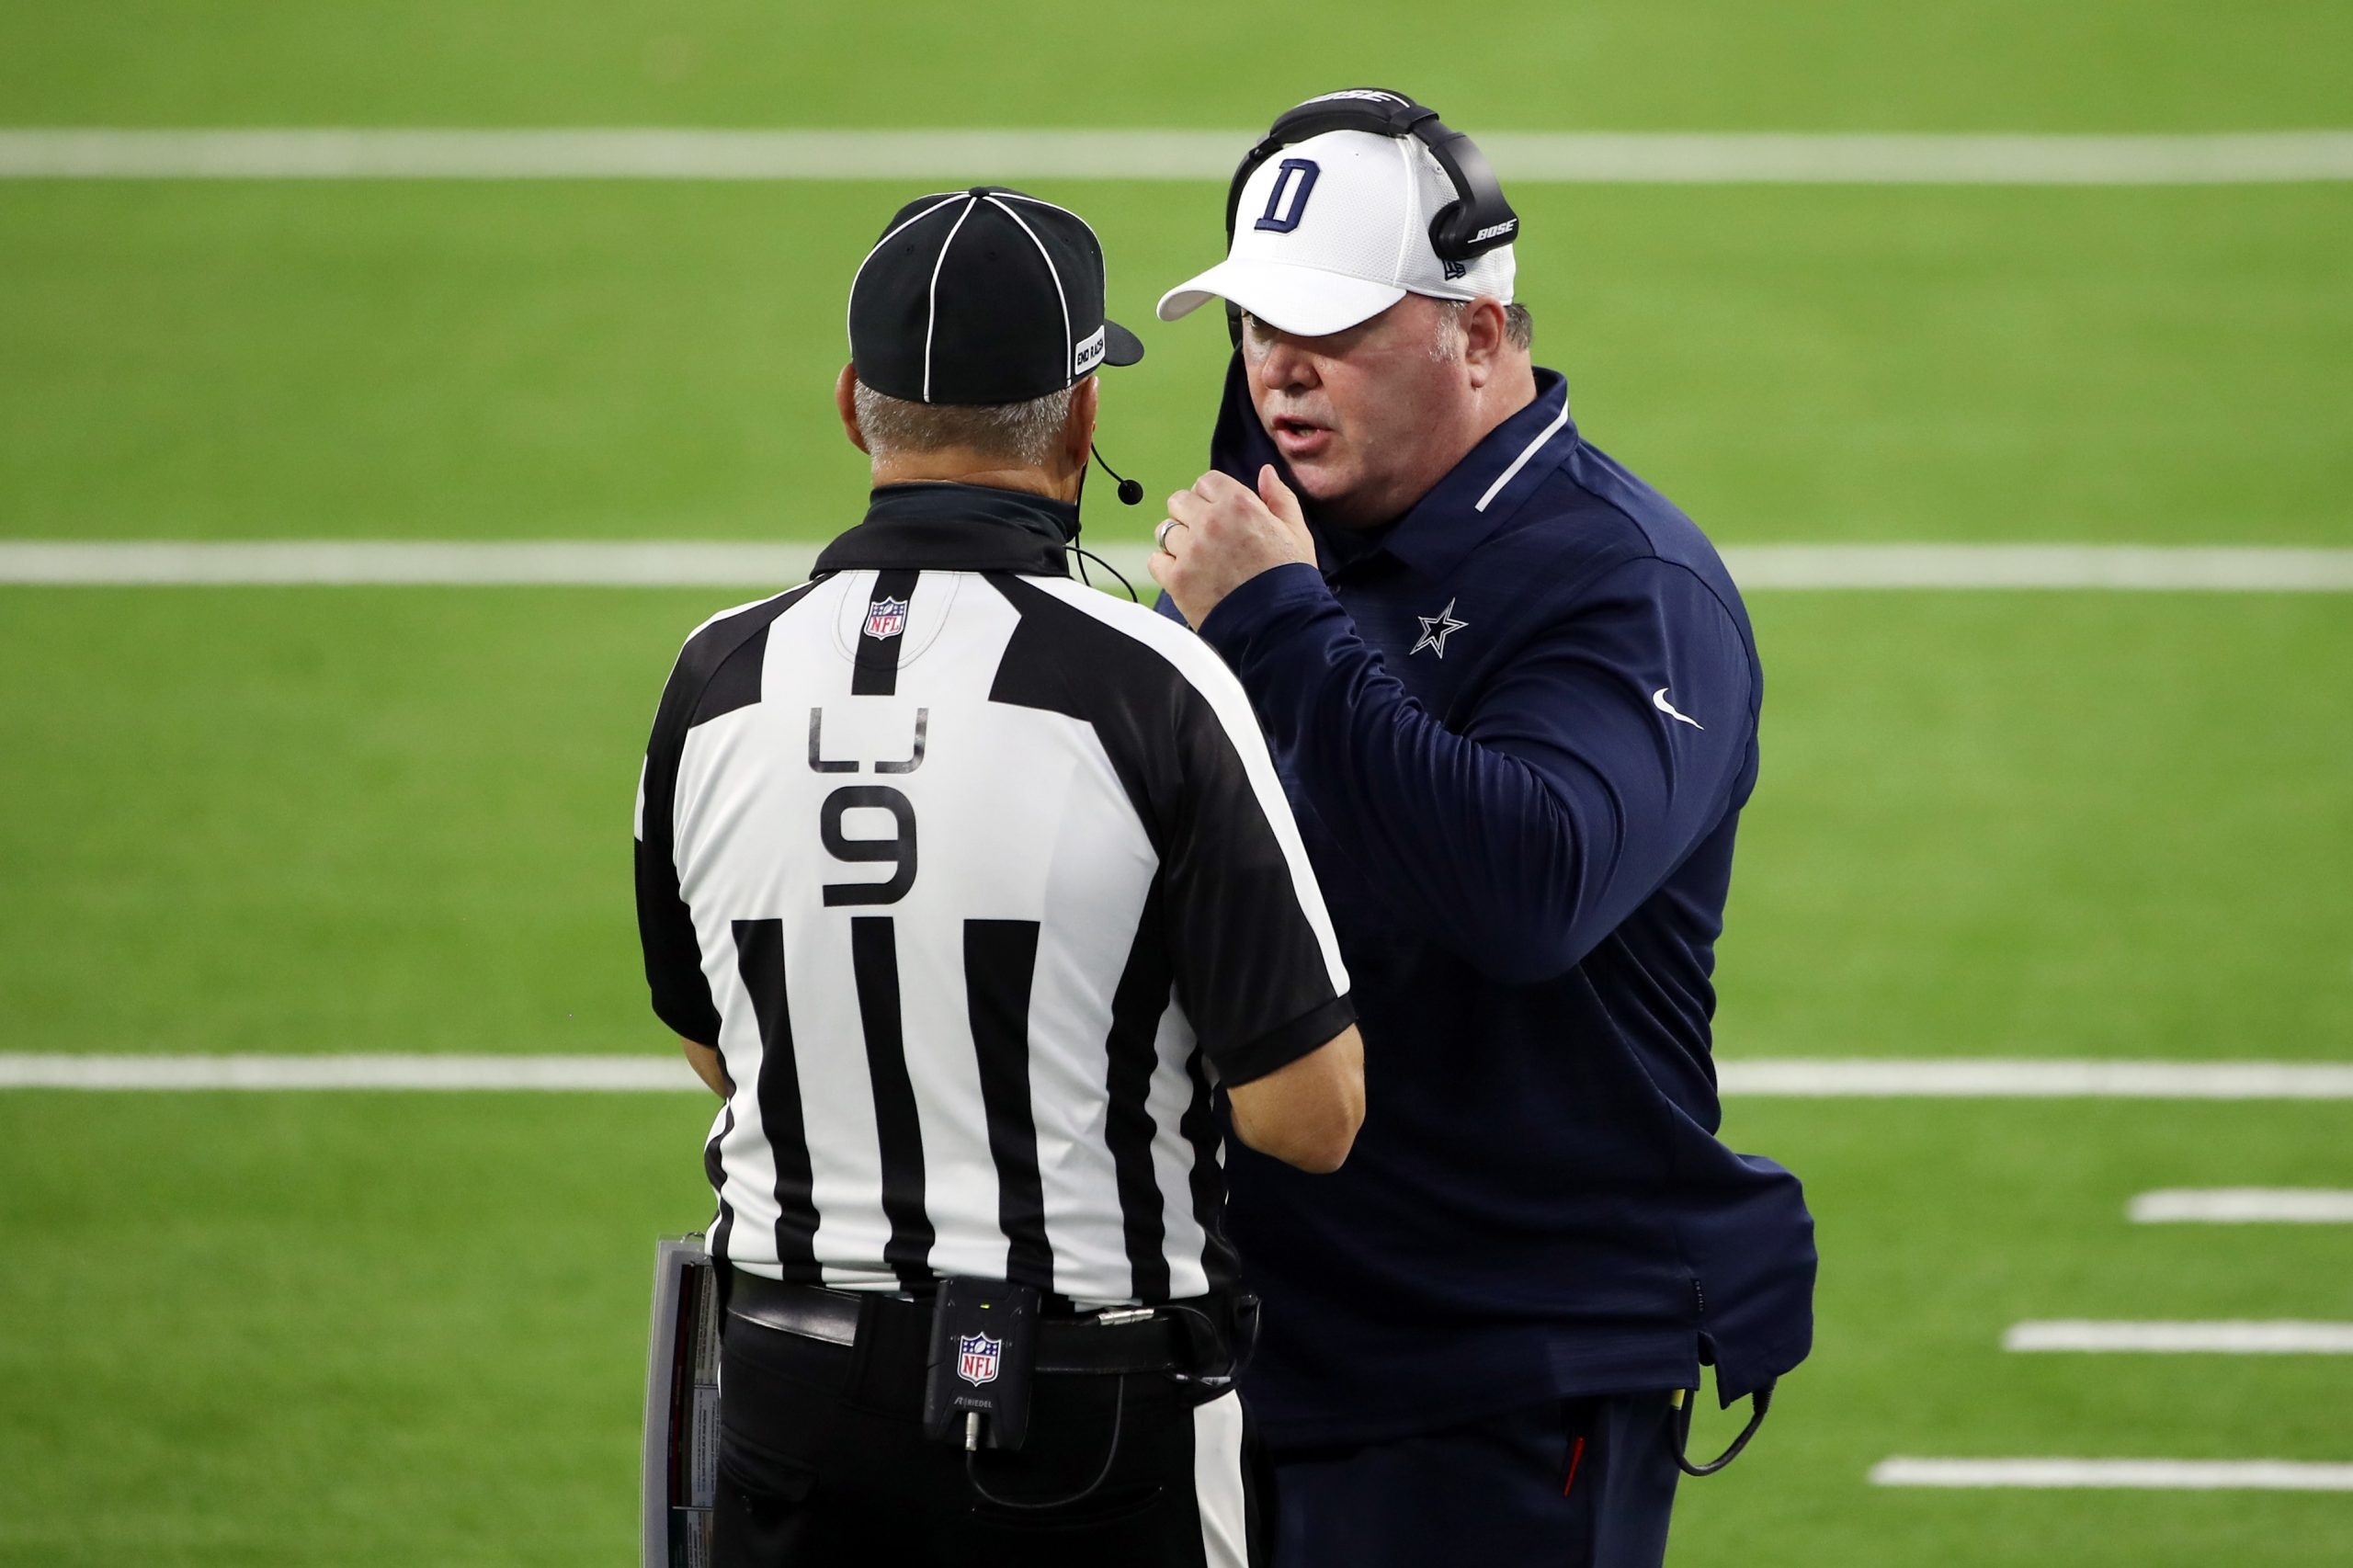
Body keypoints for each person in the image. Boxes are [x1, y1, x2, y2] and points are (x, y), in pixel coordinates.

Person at [633, 183, 1365, 1568]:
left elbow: (712, 1041)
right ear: (1084, 420)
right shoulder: (1154, 685)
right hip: (1083, 1403)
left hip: (788, 1378)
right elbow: (1309, 1114)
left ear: (854, 404)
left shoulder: (714, 677)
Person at [1144, 91, 1818, 1567]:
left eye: (1331, 328)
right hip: (1252, 1351)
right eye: (1256, 325)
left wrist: (1276, 627)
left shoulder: (1625, 581)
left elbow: (1532, 885)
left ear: (1480, 332)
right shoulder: (1284, 540)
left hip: (1506, 1367)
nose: (1280, 371)